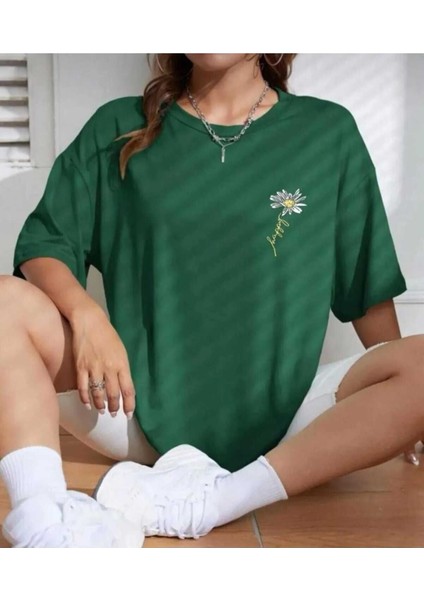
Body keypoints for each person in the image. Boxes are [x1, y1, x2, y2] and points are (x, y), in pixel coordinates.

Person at [1, 53, 423, 547]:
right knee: (5, 301)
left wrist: (403, 409)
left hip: (288, 420)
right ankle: (43, 525)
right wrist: (88, 318)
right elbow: (45, 244)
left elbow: (366, 285)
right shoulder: (119, 127)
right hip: (132, 409)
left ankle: (216, 501)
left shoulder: (327, 134)